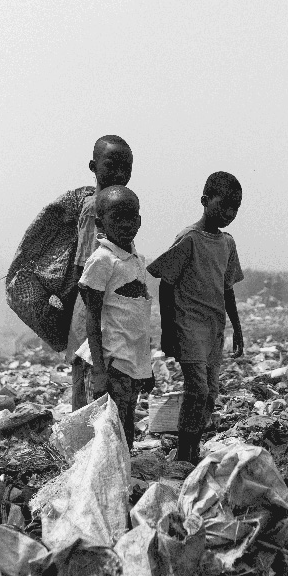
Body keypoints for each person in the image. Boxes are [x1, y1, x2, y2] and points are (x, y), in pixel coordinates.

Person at [148, 171, 244, 463]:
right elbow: (166, 283)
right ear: (204, 201)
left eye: (234, 208)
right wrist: (168, 332)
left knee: (210, 393)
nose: (228, 213)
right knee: (197, 389)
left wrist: (237, 329)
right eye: (223, 205)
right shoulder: (189, 239)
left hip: (215, 328)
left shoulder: (227, 243)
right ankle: (184, 452)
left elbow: (227, 289)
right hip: (188, 325)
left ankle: (192, 446)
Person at [78, 185, 152, 449]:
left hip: (133, 363)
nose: (125, 224)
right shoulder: (102, 260)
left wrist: (148, 367)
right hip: (112, 362)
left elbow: (139, 319)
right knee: (111, 431)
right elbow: (92, 317)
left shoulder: (136, 261)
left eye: (131, 217)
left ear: (140, 220)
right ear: (101, 223)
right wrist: (98, 370)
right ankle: (111, 482)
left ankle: (124, 479)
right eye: (116, 217)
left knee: (127, 426)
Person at [67, 135, 134, 411]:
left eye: (126, 167)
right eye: (112, 165)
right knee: (90, 384)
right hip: (92, 311)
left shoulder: (120, 208)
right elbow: (86, 268)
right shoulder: (96, 209)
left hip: (107, 313)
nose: (120, 173)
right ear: (93, 167)